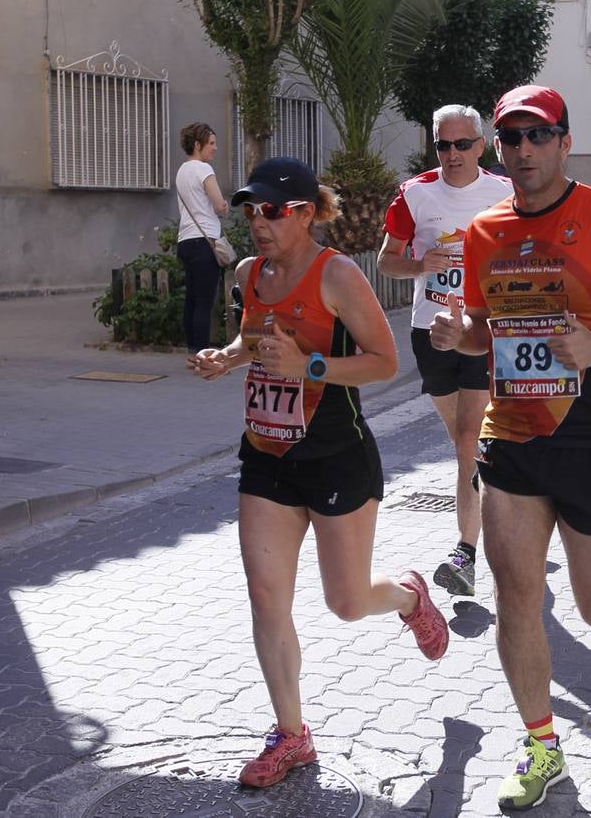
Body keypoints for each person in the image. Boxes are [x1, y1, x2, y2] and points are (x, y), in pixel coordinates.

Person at [429, 85, 591, 811]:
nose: (521, 151)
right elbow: (490, 330)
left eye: (535, 136)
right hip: (511, 438)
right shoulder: (484, 230)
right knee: (515, 594)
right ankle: (541, 745)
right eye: (509, 138)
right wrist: (464, 337)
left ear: (561, 141)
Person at [187, 157, 449, 789]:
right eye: (252, 211)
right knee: (266, 597)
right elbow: (254, 340)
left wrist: (311, 368)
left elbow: (385, 362)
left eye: (273, 211)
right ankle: (291, 734)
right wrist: (226, 359)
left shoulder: (337, 276)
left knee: (347, 600)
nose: (259, 223)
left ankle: (410, 597)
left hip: (336, 455)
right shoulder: (250, 274)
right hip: (267, 455)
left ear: (306, 213)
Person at [377, 104, 512, 597]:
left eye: (462, 144)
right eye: (442, 145)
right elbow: (386, 262)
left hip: (481, 330)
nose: (452, 154)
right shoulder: (415, 194)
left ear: (481, 144)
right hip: (428, 331)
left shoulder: (504, 192)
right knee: (466, 446)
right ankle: (497, 517)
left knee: (465, 445)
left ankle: (466, 552)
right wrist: (419, 265)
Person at [175, 122, 229, 353]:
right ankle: (201, 352)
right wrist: (224, 207)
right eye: (211, 143)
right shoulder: (204, 170)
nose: (215, 148)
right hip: (205, 240)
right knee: (205, 302)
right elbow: (219, 205)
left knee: (192, 299)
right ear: (198, 145)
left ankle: (192, 349)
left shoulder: (181, 171)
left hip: (185, 240)